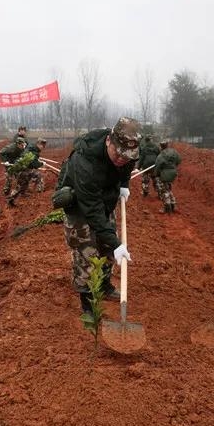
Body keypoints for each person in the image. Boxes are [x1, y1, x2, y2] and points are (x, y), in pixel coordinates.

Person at [55, 117, 140, 314]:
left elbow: (128, 164)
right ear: (109, 141)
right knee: (87, 253)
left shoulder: (130, 151)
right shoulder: (84, 161)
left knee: (108, 245)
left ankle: (104, 285)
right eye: (118, 154)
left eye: (126, 157)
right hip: (80, 203)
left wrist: (124, 185)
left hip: (103, 197)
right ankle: (87, 303)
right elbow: (91, 209)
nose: (121, 159)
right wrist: (117, 243)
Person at [0, 136, 31, 206]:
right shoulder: (11, 148)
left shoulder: (21, 148)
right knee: (9, 178)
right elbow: (1, 152)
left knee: (20, 176)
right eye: (22, 145)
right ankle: (6, 192)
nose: (23, 146)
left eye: (24, 145)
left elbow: (21, 155)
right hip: (8, 164)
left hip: (15, 163)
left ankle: (21, 192)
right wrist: (5, 161)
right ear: (18, 144)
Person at [154, 139, 181, 213]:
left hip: (165, 173)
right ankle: (173, 205)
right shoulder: (174, 152)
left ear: (161, 146)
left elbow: (157, 166)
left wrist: (156, 174)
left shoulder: (161, 155)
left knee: (164, 190)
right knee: (168, 189)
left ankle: (167, 207)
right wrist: (173, 166)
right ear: (167, 145)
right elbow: (179, 160)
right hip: (173, 172)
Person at [137, 134, 161, 198]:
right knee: (156, 179)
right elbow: (160, 156)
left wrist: (138, 167)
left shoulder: (144, 148)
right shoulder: (156, 147)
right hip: (154, 166)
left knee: (145, 180)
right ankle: (159, 193)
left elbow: (141, 158)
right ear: (151, 140)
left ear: (146, 140)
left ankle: (145, 192)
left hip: (146, 166)